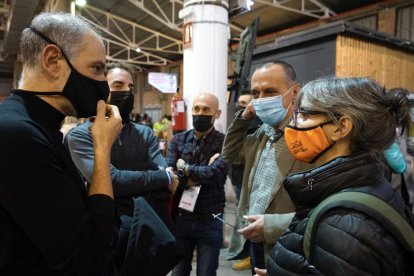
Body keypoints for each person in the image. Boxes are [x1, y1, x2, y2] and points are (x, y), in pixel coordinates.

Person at [0, 12, 122, 274]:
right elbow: (89, 260)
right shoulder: (18, 136)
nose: (104, 83)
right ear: (53, 60)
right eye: (97, 69)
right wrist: (102, 148)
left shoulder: (38, 127)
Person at [261, 77, 414, 275]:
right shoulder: (372, 184)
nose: (294, 123)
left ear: (341, 127)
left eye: (305, 114)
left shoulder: (342, 223)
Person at [222, 61, 312, 274]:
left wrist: (272, 226)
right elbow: (230, 154)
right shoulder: (262, 133)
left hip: (287, 242)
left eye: (270, 91)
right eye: (256, 93)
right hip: (255, 238)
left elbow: (320, 209)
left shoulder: (310, 138)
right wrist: (243, 119)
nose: (261, 100)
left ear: (295, 92)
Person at [66, 62, 178, 230]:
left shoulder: (144, 133)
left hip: (145, 224)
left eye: (131, 87)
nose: (127, 91)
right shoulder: (80, 135)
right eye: (118, 85)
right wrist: (163, 178)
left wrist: (130, 177)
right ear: (101, 90)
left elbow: (161, 178)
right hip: (103, 226)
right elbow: (113, 181)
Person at [166, 93, 228, 276]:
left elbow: (216, 173)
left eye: (206, 110)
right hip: (181, 217)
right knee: (178, 271)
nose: (200, 113)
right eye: (196, 109)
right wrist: (200, 173)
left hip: (211, 218)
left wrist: (184, 168)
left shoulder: (224, 142)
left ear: (217, 114)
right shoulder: (178, 140)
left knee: (207, 272)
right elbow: (170, 176)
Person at [229, 92, 259, 271]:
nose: (245, 107)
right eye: (241, 103)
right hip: (238, 177)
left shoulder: (256, 127)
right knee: (244, 217)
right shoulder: (239, 123)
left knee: (249, 217)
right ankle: (247, 252)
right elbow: (230, 153)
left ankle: (248, 253)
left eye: (248, 103)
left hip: (248, 179)